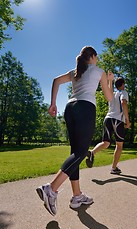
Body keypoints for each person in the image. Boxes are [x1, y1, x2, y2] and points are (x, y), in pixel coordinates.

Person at [36, 46, 114, 216]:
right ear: (92, 56)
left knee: (75, 153)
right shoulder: (98, 71)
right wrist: (110, 80)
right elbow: (109, 97)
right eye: (97, 57)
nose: (97, 60)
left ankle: (77, 195)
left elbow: (56, 80)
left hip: (70, 108)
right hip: (86, 108)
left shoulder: (75, 71)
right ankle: (51, 189)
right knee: (80, 152)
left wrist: (53, 103)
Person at [86, 77, 130, 174]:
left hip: (108, 119)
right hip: (117, 120)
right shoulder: (124, 92)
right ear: (123, 84)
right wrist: (127, 119)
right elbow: (123, 103)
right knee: (119, 145)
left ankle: (92, 152)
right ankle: (114, 168)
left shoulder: (112, 94)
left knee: (106, 142)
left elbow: (109, 91)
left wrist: (110, 80)